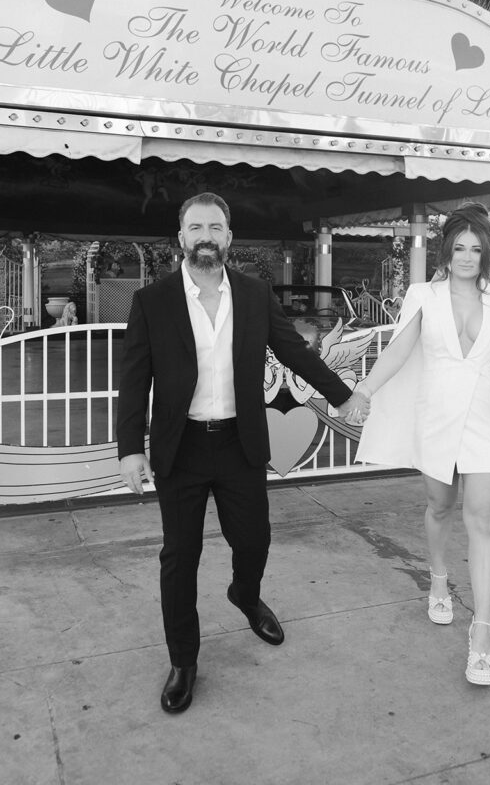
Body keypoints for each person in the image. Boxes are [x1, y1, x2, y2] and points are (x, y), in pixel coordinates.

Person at [117, 192, 369, 714]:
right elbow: (134, 380)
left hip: (240, 443)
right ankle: (184, 660)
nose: (205, 236)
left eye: (215, 227)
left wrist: (343, 395)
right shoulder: (153, 300)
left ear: (229, 238)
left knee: (253, 540)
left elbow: (295, 352)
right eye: (195, 227)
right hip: (180, 449)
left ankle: (245, 595)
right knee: (179, 558)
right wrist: (129, 450)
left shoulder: (255, 295)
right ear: (181, 238)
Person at [355, 203, 490, 687]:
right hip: (438, 414)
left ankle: (482, 634)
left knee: (483, 519)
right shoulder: (423, 294)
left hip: (489, 417)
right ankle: (439, 578)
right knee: (440, 506)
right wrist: (363, 391)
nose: (467, 257)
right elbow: (400, 349)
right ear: (447, 251)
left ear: (486, 253)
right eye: (459, 248)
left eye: (476, 249)